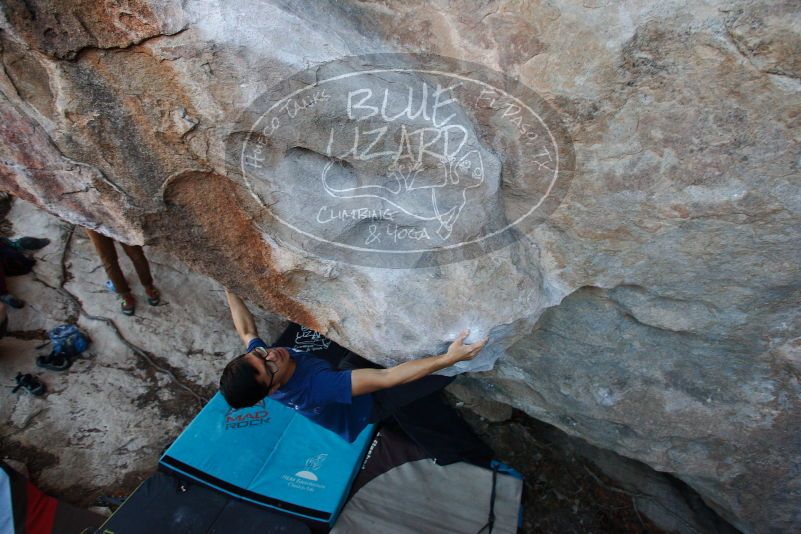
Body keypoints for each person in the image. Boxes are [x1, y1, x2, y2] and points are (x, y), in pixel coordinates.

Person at [219, 289, 488, 442]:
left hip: (336, 373)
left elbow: (246, 332)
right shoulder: (316, 388)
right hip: (367, 403)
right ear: (271, 389)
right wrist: (448, 359)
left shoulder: (261, 362)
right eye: (268, 368)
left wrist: (230, 288)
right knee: (440, 372)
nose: (272, 355)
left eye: (260, 354)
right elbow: (385, 378)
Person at [84, 229, 160, 316]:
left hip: (114, 219)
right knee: (109, 261)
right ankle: (126, 296)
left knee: (136, 255)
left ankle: (148, 287)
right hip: (92, 222)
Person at [0, 236, 50, 309]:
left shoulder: (8, 247)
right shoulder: (14, 254)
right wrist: (31, 262)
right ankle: (3, 295)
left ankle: (4, 296)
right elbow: (25, 269)